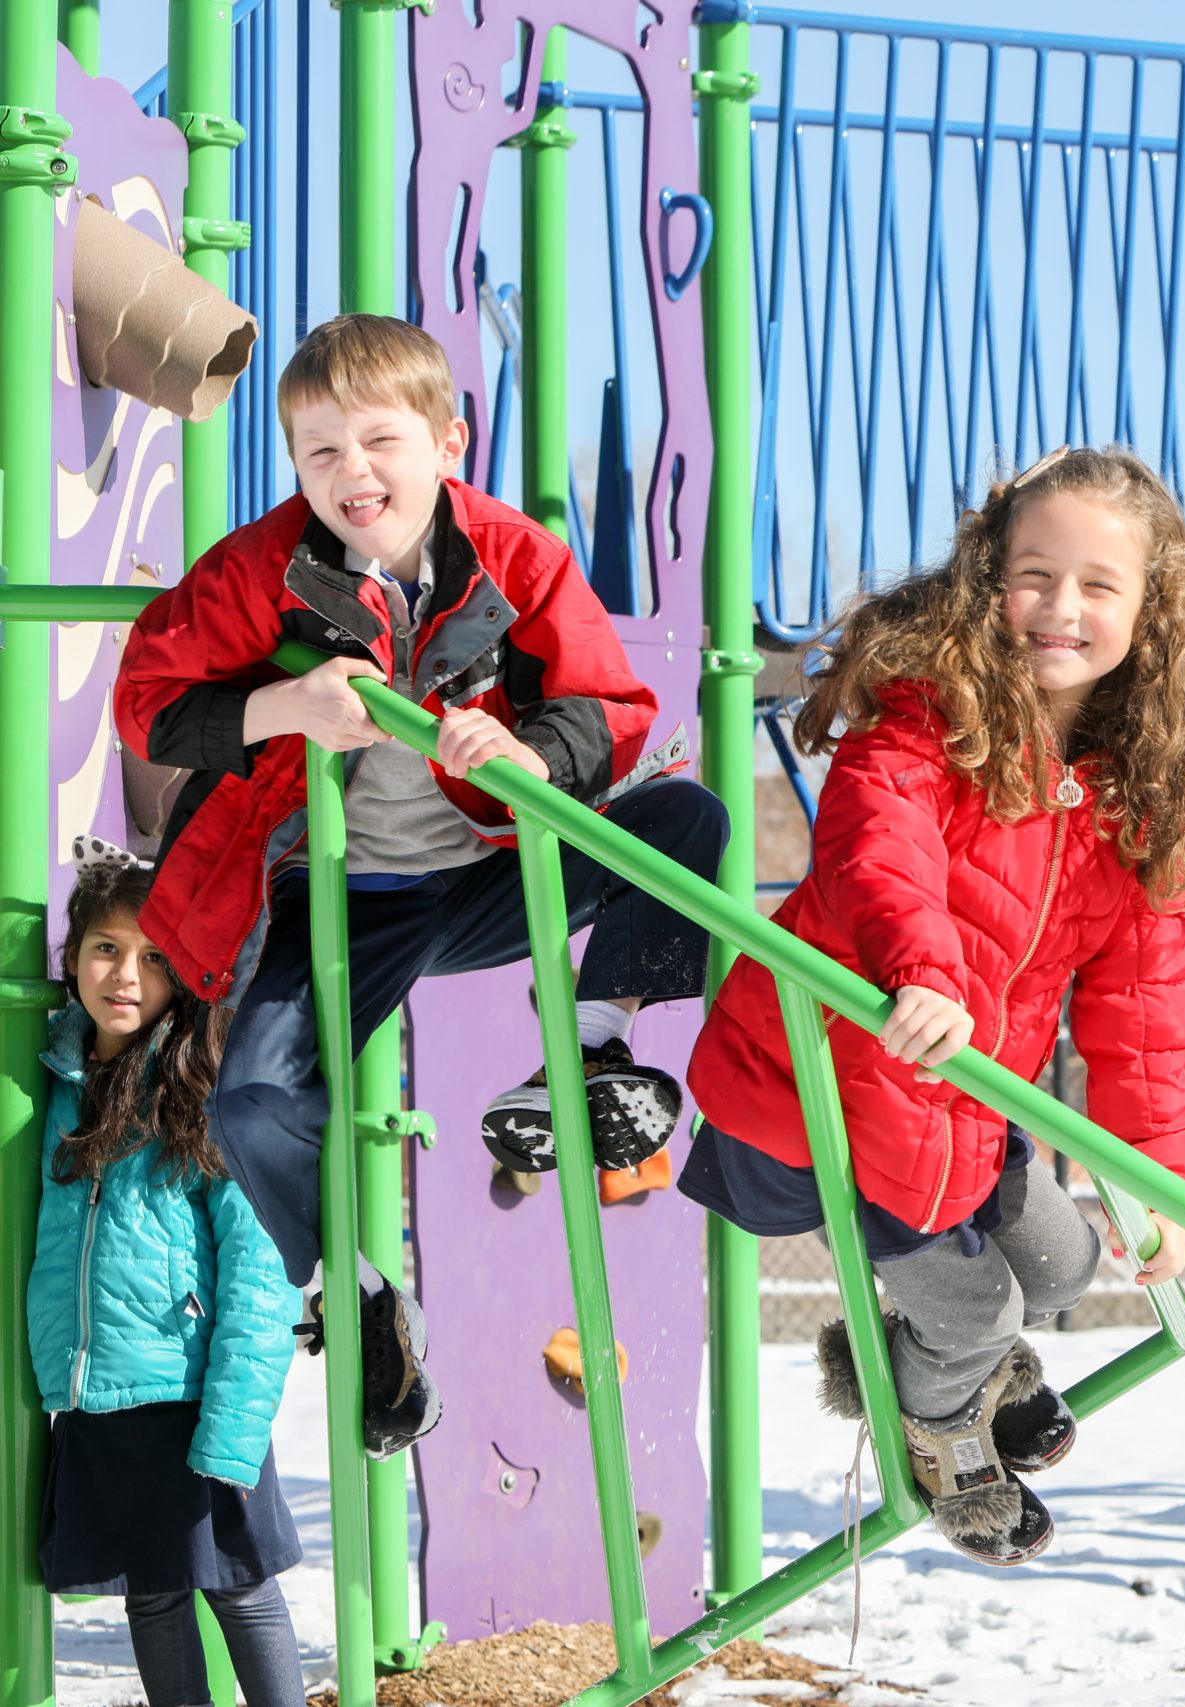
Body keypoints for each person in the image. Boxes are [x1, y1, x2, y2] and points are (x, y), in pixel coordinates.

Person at [112, 313, 728, 1459]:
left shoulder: (512, 554)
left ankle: (588, 1045)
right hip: (334, 892)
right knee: (251, 1099)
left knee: (686, 819)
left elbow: (610, 703)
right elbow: (149, 696)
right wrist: (284, 708)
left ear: (448, 443)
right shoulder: (264, 569)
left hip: (490, 869)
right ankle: (355, 1293)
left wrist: (535, 755)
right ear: (294, 467)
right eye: (320, 453)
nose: (353, 474)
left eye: (380, 443)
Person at [682, 446, 1185, 1566]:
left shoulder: (1131, 795)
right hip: (824, 1093)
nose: (1060, 608)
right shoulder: (925, 716)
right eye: (1034, 574)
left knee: (1060, 1267)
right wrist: (927, 970)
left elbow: (1140, 1010)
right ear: (987, 578)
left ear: (1151, 612)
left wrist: (1160, 1180)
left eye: (1099, 586)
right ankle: (945, 1442)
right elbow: (877, 849)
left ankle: (903, 1364)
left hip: (957, 1103)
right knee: (972, 1311)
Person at [32, 845, 307, 1706]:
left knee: (238, 1584)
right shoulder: (58, 1081)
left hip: (189, 1390)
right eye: (106, 947)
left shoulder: (202, 1084)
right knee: (150, 1592)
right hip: (98, 1386)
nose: (126, 974)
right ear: (73, 954)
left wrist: (234, 1420)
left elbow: (261, 1268)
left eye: (155, 957)